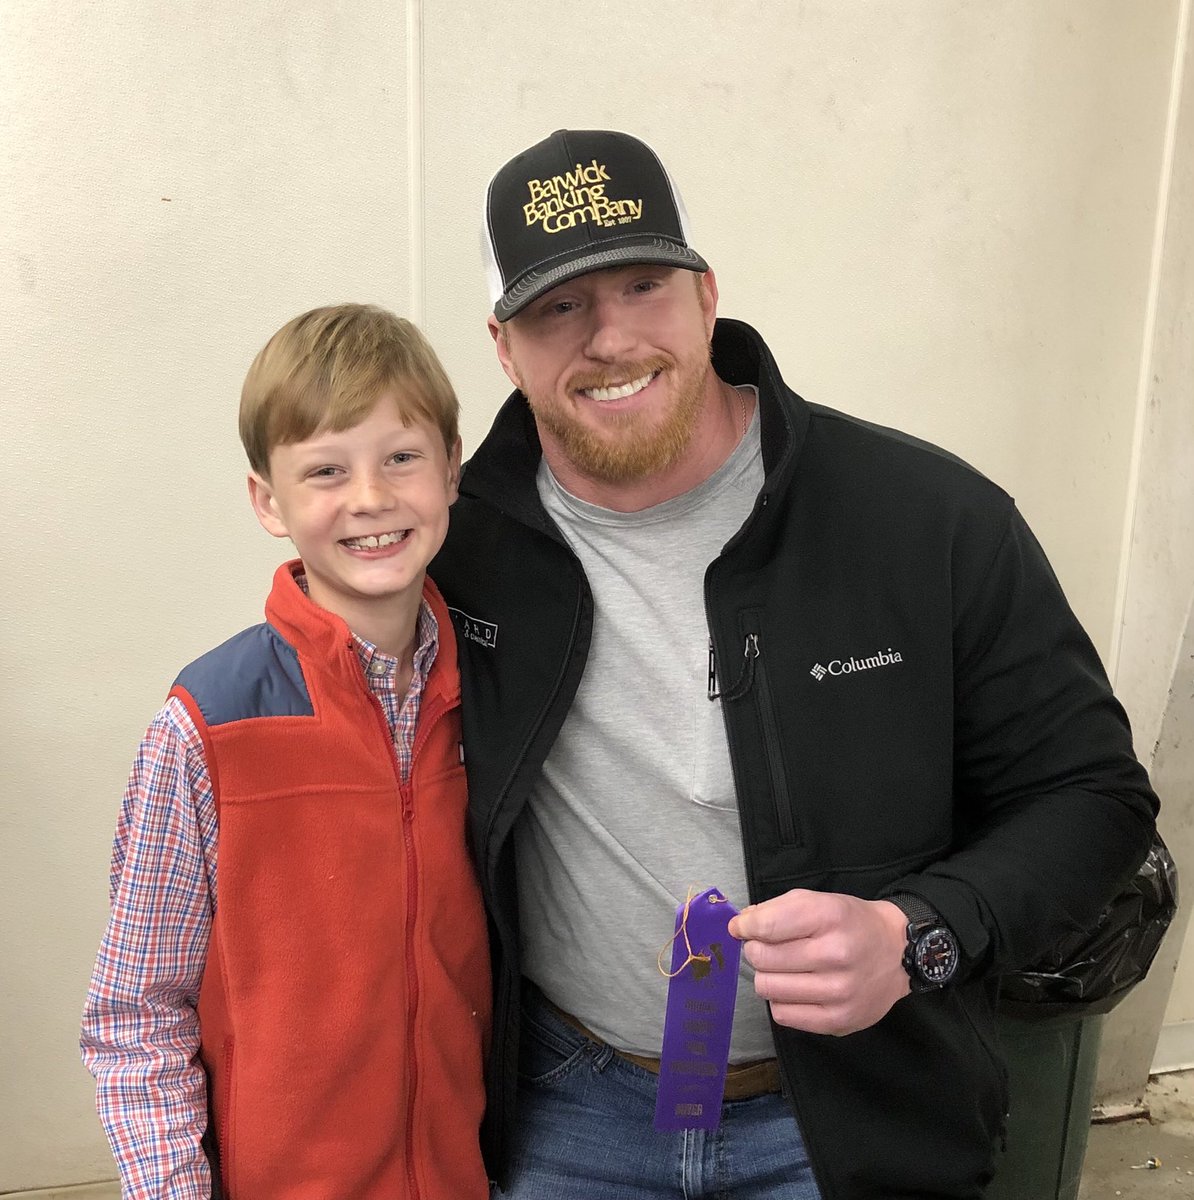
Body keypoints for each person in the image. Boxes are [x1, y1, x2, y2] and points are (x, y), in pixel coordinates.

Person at [430, 129, 1160, 1199]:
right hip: (568, 1106)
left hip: (850, 1121)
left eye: (643, 285)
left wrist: (918, 935)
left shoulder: (926, 522)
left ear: (707, 294)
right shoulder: (460, 544)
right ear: (504, 347)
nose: (611, 337)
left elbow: (1094, 799)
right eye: (559, 307)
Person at [80, 304, 490, 1200]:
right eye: (326, 471)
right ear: (269, 501)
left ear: (453, 467)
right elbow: (136, 1016)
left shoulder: (494, 701)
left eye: (402, 458)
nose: (372, 497)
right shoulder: (205, 729)